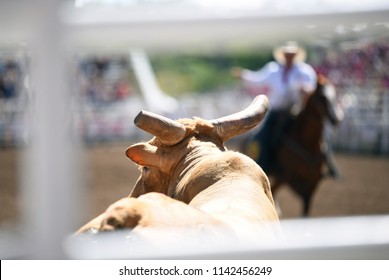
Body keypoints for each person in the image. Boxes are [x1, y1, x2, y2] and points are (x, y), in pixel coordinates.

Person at [231, 41, 317, 174]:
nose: (289, 57)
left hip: (295, 112)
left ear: (296, 55)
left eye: (291, 54)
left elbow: (311, 85)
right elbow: (257, 79)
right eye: (287, 54)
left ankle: (322, 162)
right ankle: (263, 166)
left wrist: (306, 89)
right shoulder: (273, 69)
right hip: (276, 112)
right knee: (262, 137)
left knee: (314, 132)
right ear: (283, 55)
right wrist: (243, 75)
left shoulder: (303, 71)